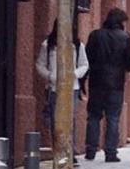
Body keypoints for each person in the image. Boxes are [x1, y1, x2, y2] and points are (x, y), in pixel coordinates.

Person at [84, 8, 130, 163]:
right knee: (113, 118)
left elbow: (87, 58)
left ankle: (91, 150)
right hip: (116, 83)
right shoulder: (126, 37)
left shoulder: (95, 35)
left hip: (96, 82)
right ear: (121, 22)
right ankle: (110, 152)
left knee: (94, 117)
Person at [36, 17, 90, 156]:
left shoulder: (77, 45)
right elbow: (40, 65)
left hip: (72, 87)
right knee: (55, 119)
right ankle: (59, 150)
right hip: (54, 87)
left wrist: (74, 74)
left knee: (70, 119)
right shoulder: (48, 45)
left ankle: (70, 151)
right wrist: (50, 76)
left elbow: (84, 65)